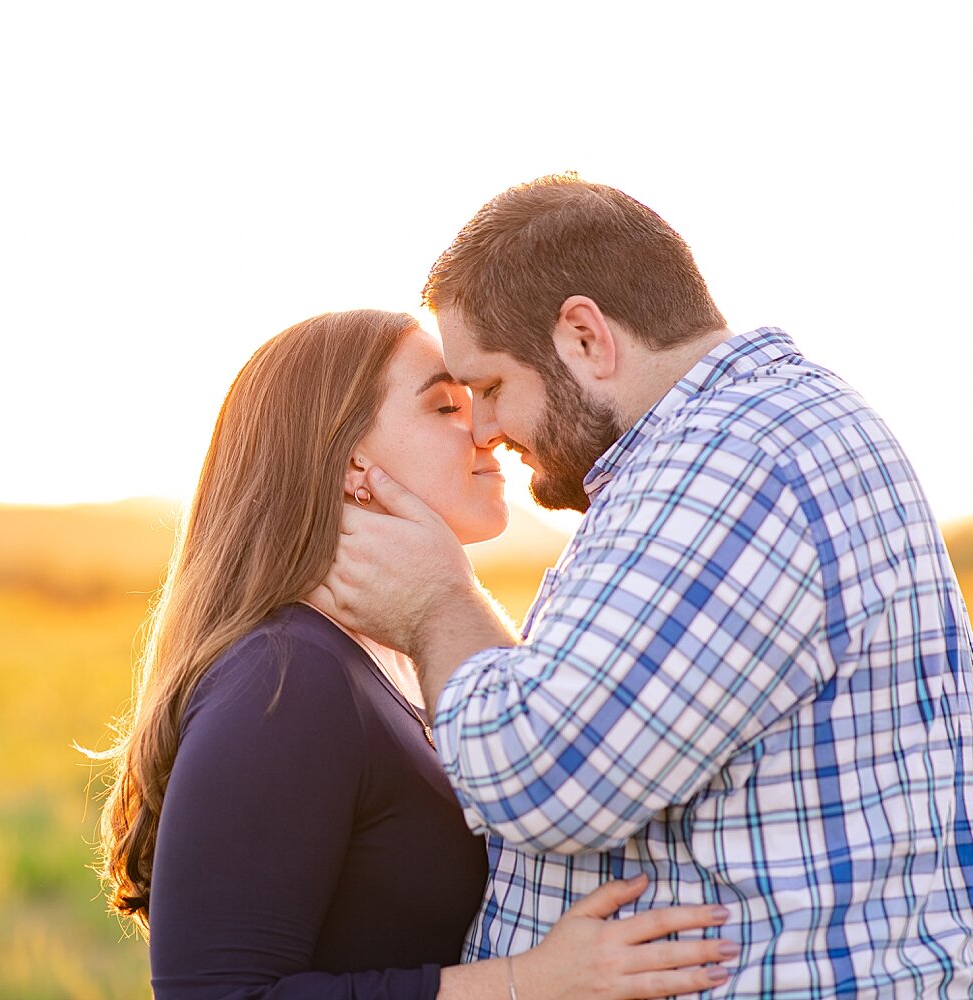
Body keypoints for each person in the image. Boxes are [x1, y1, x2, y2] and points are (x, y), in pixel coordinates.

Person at [312, 175, 973, 997]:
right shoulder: (743, 438)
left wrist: (438, 604)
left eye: (488, 388)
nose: (485, 430)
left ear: (585, 337)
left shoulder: (735, 464)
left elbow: (545, 777)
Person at [95, 309, 737, 999]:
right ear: (351, 464)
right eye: (443, 405)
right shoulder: (285, 675)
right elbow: (214, 995)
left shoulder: (381, 659)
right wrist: (529, 983)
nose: (486, 431)